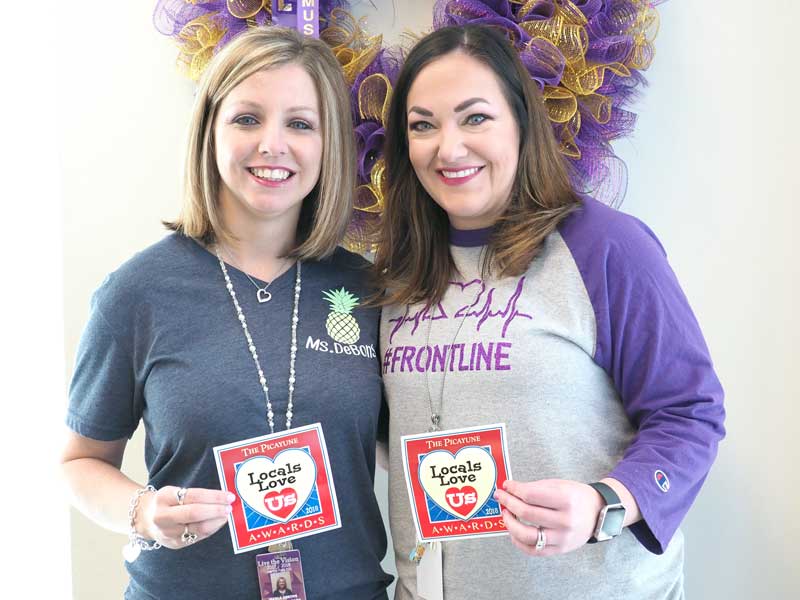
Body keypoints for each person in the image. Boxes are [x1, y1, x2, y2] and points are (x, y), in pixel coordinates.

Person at [373, 25, 725, 599]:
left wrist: (603, 502)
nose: (449, 147)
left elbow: (690, 412)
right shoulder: (397, 273)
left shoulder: (606, 247)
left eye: (475, 117)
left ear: (521, 121)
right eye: (422, 125)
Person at [61, 26, 391, 600]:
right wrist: (142, 511)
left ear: (328, 143)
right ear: (209, 131)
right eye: (246, 118)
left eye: (300, 123)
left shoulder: (370, 289)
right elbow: (80, 462)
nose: (272, 143)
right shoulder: (137, 292)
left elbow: (401, 441)